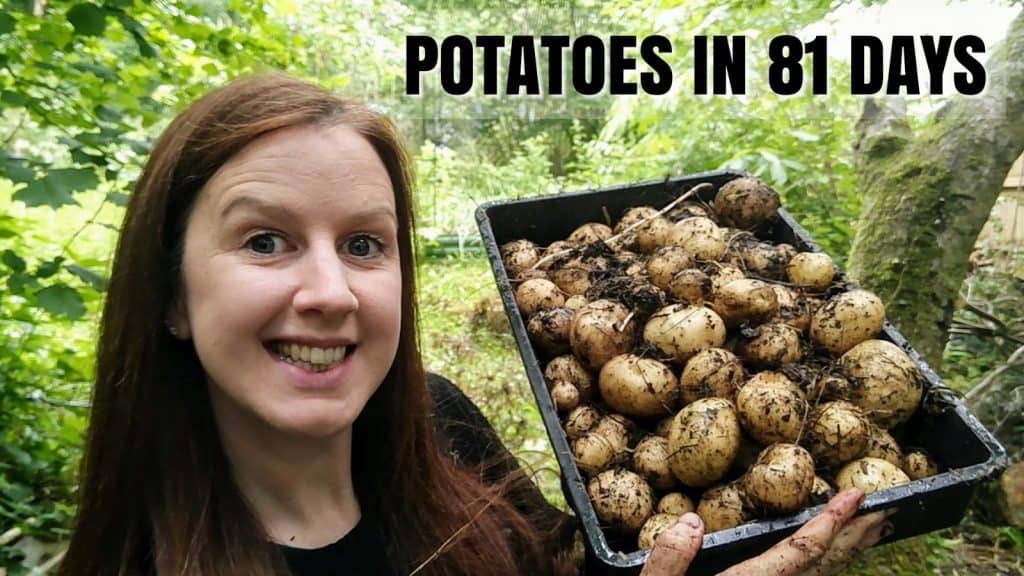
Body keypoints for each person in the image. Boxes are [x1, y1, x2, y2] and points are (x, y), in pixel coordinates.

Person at [58, 73, 888, 575]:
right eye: (265, 240)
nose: (331, 292)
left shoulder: (440, 419)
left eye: (364, 244)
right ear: (168, 294)